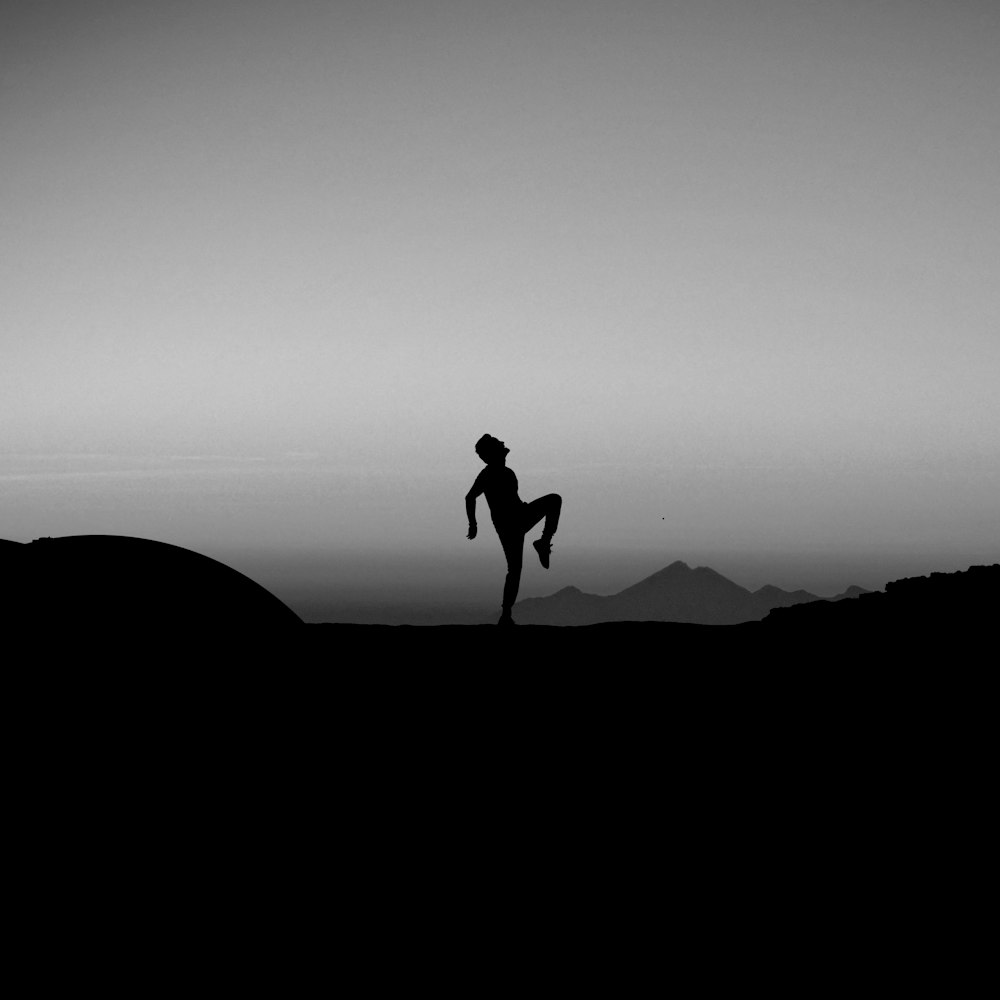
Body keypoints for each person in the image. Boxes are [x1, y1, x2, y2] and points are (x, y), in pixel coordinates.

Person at [465, 434, 562, 626]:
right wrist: (473, 524)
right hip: (508, 525)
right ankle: (506, 614)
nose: (504, 451)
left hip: (520, 516)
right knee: (515, 570)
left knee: (554, 500)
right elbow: (470, 497)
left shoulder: (507, 472)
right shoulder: (487, 475)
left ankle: (543, 542)